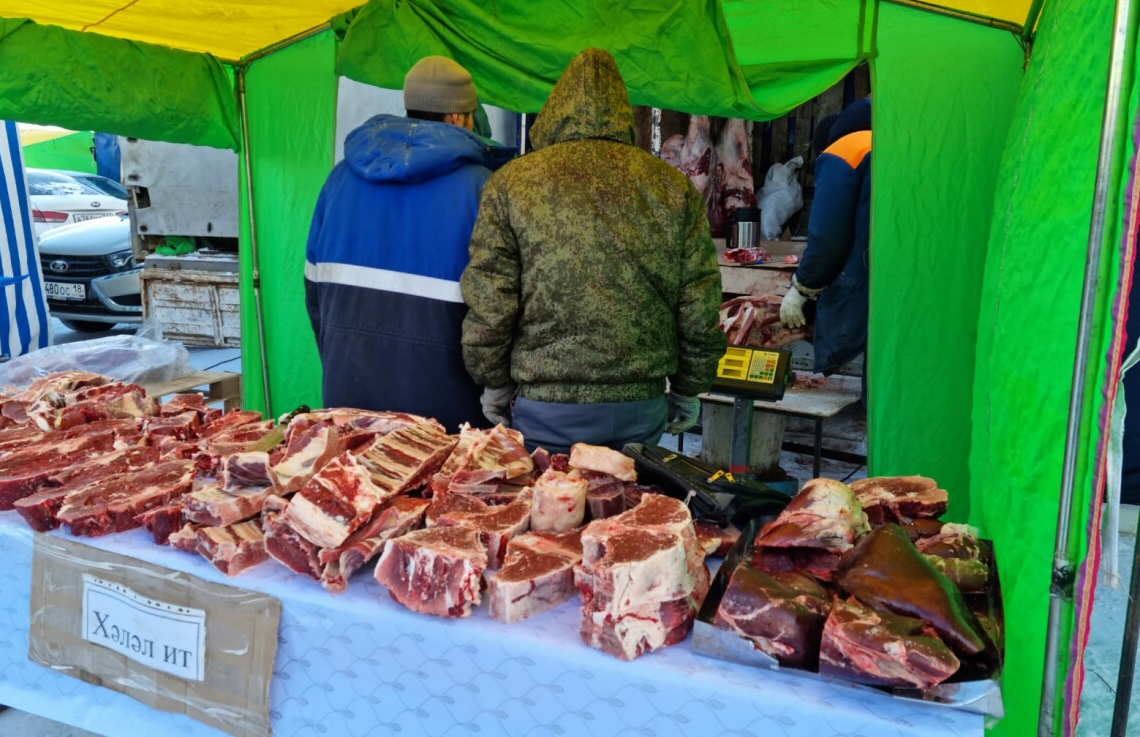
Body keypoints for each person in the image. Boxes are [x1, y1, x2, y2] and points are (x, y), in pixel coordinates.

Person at [460, 48, 726, 455]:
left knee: (555, 510)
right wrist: (691, 387)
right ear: (622, 113)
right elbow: (698, 300)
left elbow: (491, 298)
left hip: (547, 409)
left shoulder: (512, 184)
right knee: (633, 514)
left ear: (554, 110)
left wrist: (493, 381)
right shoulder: (671, 189)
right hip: (642, 406)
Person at [304, 56, 513, 431]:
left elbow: (315, 297)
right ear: (456, 118)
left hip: (351, 403)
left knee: (351, 490)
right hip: (447, 413)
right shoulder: (483, 189)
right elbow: (496, 311)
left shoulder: (338, 180)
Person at [779, 98, 872, 375]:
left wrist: (802, 288)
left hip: (872, 288)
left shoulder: (843, 152)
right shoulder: (900, 143)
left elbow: (828, 238)